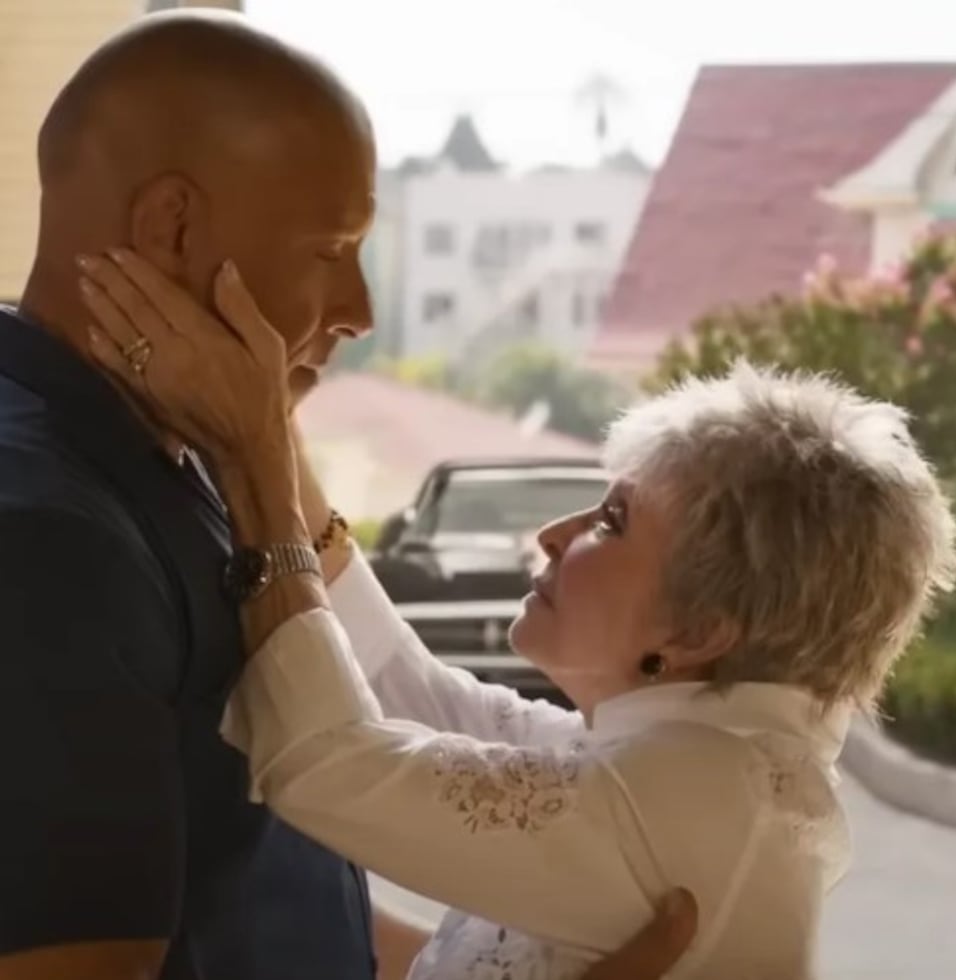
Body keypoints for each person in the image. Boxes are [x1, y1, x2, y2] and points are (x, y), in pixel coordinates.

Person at [0, 9, 694, 980]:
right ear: (171, 226)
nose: (362, 311)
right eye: (331, 248)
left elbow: (259, 880)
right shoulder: (46, 543)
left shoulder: (184, 444)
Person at [80, 251, 956, 979]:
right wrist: (270, 423)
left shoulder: (695, 796)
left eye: (610, 523)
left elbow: (329, 762)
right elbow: (406, 693)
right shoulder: (689, 763)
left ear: (699, 633)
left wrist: (252, 459)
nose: (551, 535)